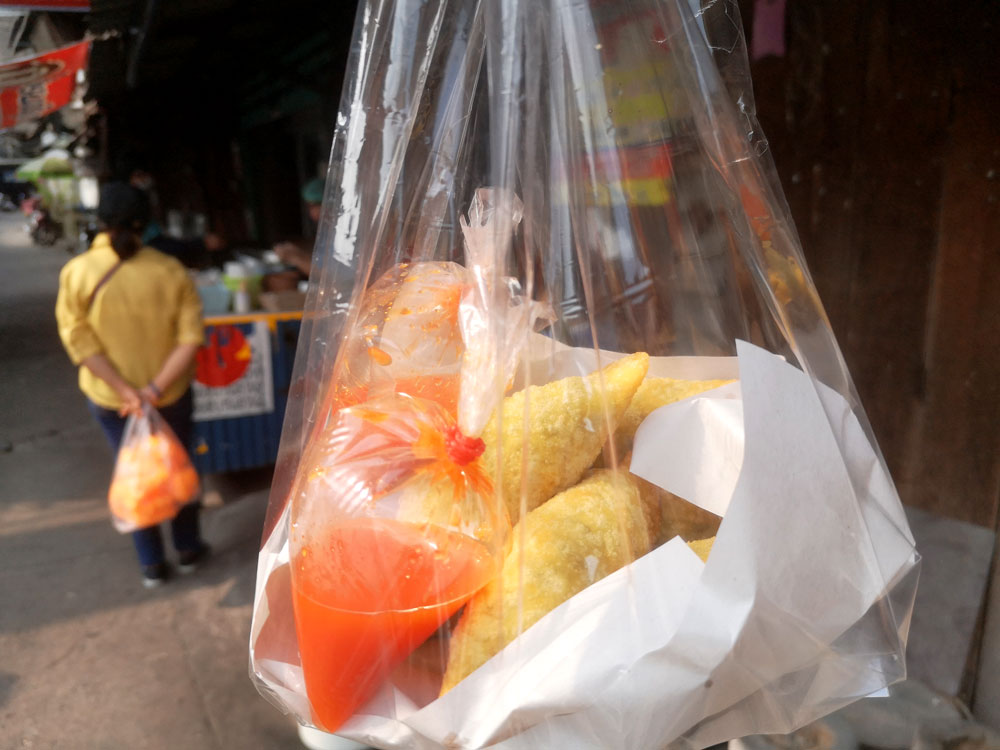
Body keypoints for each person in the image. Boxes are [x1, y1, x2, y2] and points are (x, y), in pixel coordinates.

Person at [55, 182, 210, 588]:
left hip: (111, 400)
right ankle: (189, 548)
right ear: (148, 223)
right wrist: (153, 391)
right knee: (176, 468)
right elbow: (190, 339)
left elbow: (79, 341)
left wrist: (127, 393)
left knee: (134, 472)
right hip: (170, 397)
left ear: (100, 222)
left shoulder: (77, 273)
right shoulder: (170, 271)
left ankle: (152, 564)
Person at [272, 177, 325, 277]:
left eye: (314, 206)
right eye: (309, 207)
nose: (312, 213)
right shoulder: (326, 231)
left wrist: (294, 257)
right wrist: (297, 251)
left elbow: (326, 276)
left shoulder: (342, 232)